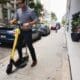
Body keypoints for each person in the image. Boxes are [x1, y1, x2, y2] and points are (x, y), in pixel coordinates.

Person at [10, 0, 38, 67]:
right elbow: (16, 18)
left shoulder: (31, 11)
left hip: (27, 31)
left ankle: (34, 60)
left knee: (29, 46)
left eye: (19, 3)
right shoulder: (18, 11)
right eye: (17, 4)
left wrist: (29, 23)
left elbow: (36, 20)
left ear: (24, 2)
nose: (18, 5)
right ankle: (21, 58)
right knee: (18, 45)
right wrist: (12, 21)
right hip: (20, 30)